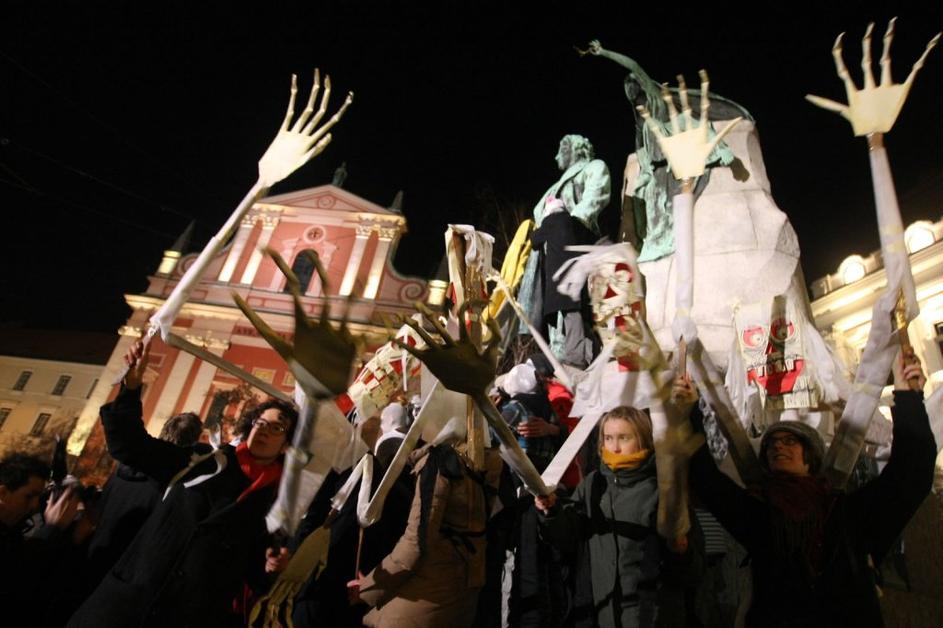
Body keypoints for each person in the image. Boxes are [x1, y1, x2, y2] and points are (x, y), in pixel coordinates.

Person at [686, 355, 937, 627]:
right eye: (772, 445)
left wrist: (908, 396)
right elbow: (708, 482)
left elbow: (911, 474)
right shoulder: (759, 517)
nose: (778, 447)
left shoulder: (847, 514)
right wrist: (688, 410)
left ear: (811, 457)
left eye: (789, 441)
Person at [67, 340, 298, 628]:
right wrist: (132, 387)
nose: (263, 430)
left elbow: (253, 570)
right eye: (259, 422)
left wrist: (271, 567)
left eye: (276, 427)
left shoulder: (276, 503)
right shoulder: (204, 460)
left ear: (287, 445)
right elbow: (130, 446)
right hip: (128, 604)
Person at [535, 406, 694, 628]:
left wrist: (680, 548)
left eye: (624, 438)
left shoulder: (662, 488)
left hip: (652, 615)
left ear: (643, 440)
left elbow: (691, 568)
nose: (615, 447)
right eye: (608, 438)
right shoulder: (593, 484)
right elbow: (567, 538)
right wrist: (551, 512)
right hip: (602, 613)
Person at [351, 418, 503, 627]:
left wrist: (368, 588)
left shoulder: (438, 461)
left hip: (429, 592)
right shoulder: (485, 460)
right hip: (464, 590)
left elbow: (415, 544)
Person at [83, 410, 205, 591]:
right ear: (193, 444)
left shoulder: (124, 465)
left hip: (92, 553)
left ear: (164, 430)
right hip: (121, 574)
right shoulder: (171, 484)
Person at [518, 134, 610, 368]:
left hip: (580, 246)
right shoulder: (554, 188)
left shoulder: (593, 167)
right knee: (557, 310)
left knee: (575, 308)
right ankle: (560, 351)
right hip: (553, 256)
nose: (556, 156)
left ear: (575, 149)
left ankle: (580, 355)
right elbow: (538, 213)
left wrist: (566, 228)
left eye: (561, 149)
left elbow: (595, 197)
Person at [1, 453, 83, 610]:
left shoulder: (13, 529)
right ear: (3, 492)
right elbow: (16, 583)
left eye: (37, 498)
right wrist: (52, 529)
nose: (34, 506)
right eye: (29, 496)